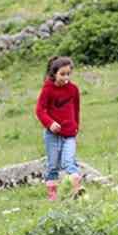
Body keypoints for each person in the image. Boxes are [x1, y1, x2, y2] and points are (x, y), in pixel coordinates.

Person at [35, 56, 82, 201]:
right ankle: (52, 194)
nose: (65, 77)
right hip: (52, 135)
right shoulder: (48, 89)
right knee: (53, 165)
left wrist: (76, 127)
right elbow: (40, 110)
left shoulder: (73, 89)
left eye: (68, 74)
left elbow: (76, 110)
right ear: (54, 73)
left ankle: (77, 190)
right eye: (62, 74)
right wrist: (50, 123)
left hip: (69, 134)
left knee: (69, 162)